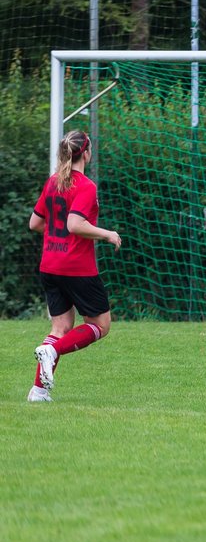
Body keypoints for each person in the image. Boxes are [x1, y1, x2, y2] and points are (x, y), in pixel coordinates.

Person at [27, 129, 122, 402]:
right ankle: (52, 352)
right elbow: (75, 224)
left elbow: (35, 223)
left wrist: (58, 235)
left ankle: (38, 391)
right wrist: (107, 234)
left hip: (49, 264)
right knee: (100, 325)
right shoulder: (86, 186)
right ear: (87, 152)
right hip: (76, 267)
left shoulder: (53, 182)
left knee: (60, 329)